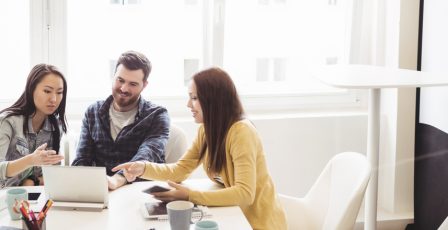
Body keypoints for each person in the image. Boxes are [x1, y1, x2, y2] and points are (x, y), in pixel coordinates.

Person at [113, 67, 287, 230]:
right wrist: (142, 167)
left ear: (213, 100)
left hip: (257, 224)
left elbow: (244, 193)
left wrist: (190, 195)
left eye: (194, 98)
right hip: (234, 217)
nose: (189, 104)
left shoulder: (241, 132)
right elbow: (180, 170)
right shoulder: (207, 131)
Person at [72, 51, 170, 190]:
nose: (124, 89)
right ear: (113, 77)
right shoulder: (93, 112)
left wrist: (118, 179)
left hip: (142, 193)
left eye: (133, 84)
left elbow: (148, 154)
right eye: (120, 80)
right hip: (103, 191)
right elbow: (82, 159)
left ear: (144, 85)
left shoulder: (157, 115)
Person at [0, 64, 66, 188]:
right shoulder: (7, 122)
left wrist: (33, 181)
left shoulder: (56, 127)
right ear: (31, 89)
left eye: (59, 92)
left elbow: (53, 174)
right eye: (47, 91)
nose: (54, 99)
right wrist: (30, 160)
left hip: (34, 198)